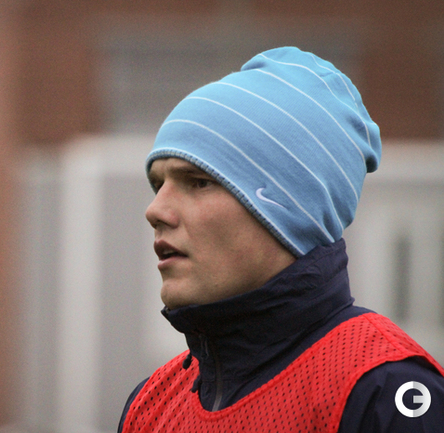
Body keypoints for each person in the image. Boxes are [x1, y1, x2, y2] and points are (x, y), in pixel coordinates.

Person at [117, 46, 444, 432]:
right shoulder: (150, 406)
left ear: (285, 208)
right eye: (159, 184)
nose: (155, 210)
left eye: (199, 181)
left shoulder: (381, 392)